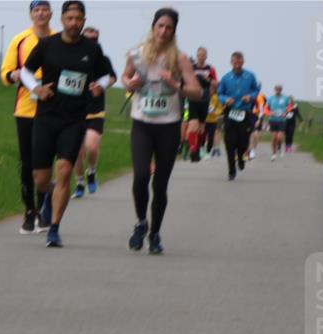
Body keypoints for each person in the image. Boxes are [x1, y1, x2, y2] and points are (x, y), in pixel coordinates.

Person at [21, 0, 113, 248]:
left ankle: (54, 228)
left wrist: (99, 86)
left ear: (84, 21)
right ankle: (52, 193)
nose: (74, 23)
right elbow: (25, 72)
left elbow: (108, 75)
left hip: (74, 120)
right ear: (62, 20)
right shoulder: (47, 44)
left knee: (63, 171)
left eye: (78, 19)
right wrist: (36, 88)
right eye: (70, 19)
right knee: (40, 179)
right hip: (46, 118)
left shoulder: (92, 49)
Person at [122, 6, 202, 255]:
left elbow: (197, 92)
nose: (163, 31)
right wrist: (130, 83)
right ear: (153, 27)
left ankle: (155, 233)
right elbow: (124, 78)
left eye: (169, 28)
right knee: (140, 177)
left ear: (174, 31)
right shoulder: (136, 54)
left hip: (168, 126)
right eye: (160, 26)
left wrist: (175, 84)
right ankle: (140, 223)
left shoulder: (180, 59)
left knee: (160, 183)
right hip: (142, 124)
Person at [1, 0, 54, 234]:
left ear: (51, 13)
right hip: (25, 109)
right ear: (31, 15)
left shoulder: (58, 39)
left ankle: (43, 209)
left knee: (45, 161)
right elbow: (5, 74)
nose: (41, 13)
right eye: (36, 10)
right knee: (27, 162)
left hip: (52, 109)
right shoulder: (19, 40)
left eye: (44, 9)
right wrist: (13, 75)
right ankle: (29, 210)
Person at [72, 26, 117, 199]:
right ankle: (79, 182)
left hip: (96, 110)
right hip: (75, 111)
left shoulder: (103, 59)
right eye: (88, 39)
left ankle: (91, 172)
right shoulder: (73, 57)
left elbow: (112, 77)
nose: (92, 42)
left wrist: (101, 85)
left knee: (92, 146)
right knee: (77, 151)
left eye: (95, 39)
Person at [216, 51, 260, 181]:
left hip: (244, 112)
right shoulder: (226, 78)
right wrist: (225, 100)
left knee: (243, 142)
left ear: (243, 62)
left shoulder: (250, 76)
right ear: (231, 63)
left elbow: (256, 90)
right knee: (229, 143)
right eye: (235, 62)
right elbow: (219, 94)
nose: (237, 64)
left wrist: (250, 97)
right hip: (230, 113)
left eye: (239, 62)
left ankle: (241, 157)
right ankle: (231, 170)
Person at [186, 47, 218, 162]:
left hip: (204, 99)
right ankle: (192, 148)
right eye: (199, 55)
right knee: (192, 125)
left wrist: (209, 80)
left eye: (203, 55)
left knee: (201, 127)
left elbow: (215, 83)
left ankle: (198, 149)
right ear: (197, 56)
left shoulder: (210, 69)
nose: (201, 57)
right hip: (193, 98)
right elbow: (185, 79)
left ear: (206, 56)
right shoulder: (191, 67)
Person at [266, 84, 291, 160]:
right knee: (274, 137)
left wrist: (286, 113)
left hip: (282, 120)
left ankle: (279, 147)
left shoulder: (285, 98)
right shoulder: (271, 98)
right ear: (274, 90)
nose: (278, 90)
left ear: (281, 90)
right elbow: (266, 108)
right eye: (276, 89)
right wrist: (269, 113)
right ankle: (273, 153)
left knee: (279, 137)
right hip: (272, 120)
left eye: (279, 89)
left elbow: (289, 107)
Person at [205, 90, 223, 158]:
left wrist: (214, 112)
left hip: (217, 118)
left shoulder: (217, 97)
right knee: (207, 134)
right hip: (205, 118)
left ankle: (216, 148)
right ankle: (208, 148)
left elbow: (220, 109)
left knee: (217, 132)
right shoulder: (203, 96)